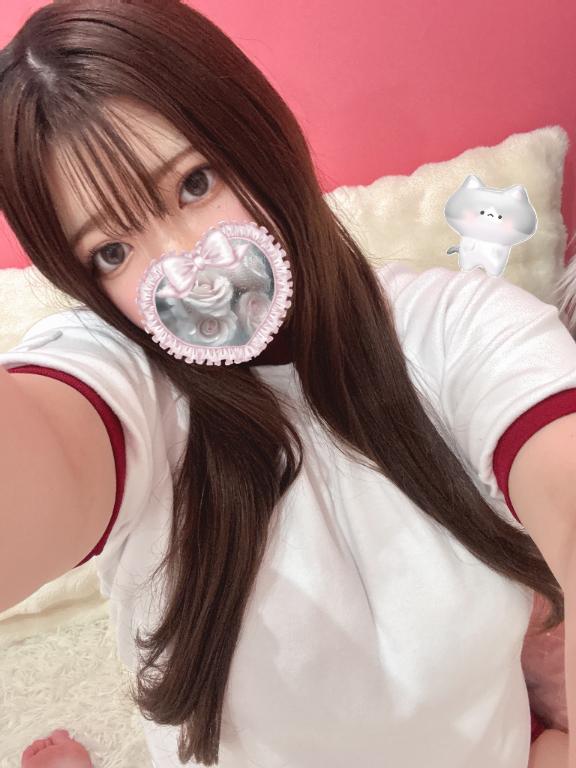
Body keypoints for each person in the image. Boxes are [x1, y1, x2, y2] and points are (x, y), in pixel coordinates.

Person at [0, 1, 573, 766]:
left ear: (259, 136)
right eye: (111, 252)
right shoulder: (123, 384)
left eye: (195, 183)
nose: (190, 268)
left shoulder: (454, 326)